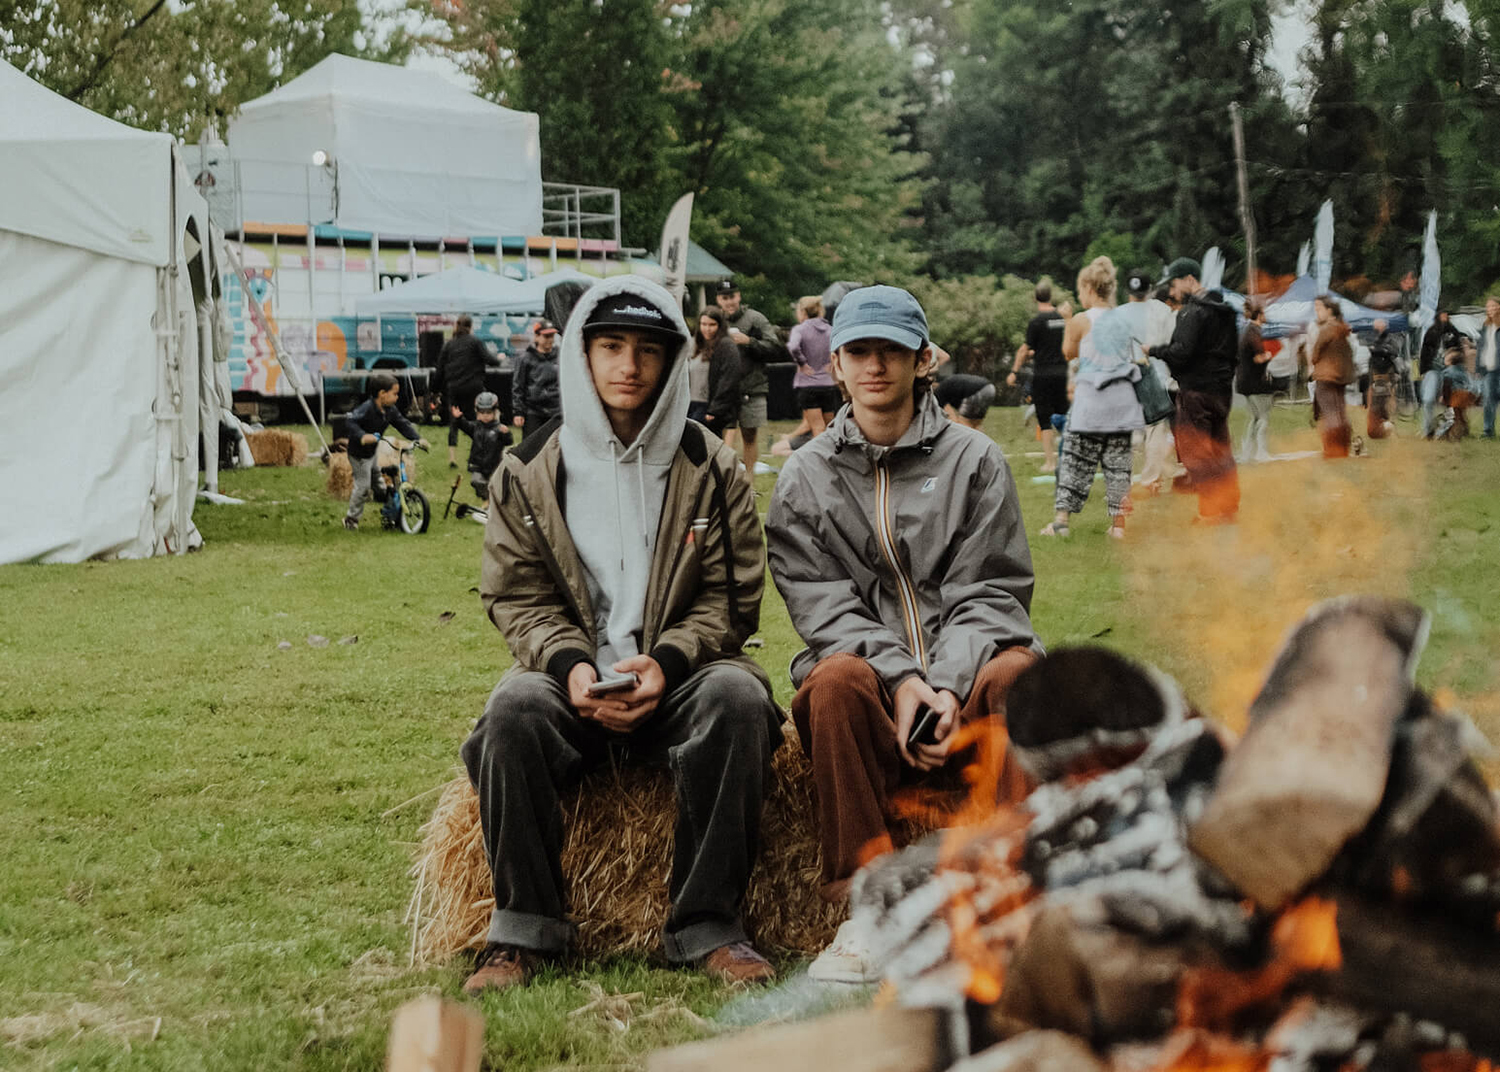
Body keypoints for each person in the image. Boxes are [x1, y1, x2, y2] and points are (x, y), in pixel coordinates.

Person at [460, 277, 782, 994]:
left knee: (739, 697)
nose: (627, 366)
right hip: (568, 676)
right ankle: (523, 931)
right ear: (581, 353)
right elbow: (517, 595)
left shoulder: (711, 465)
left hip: (679, 674)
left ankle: (709, 925)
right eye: (609, 347)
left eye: (646, 350)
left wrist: (666, 662)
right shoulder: (529, 468)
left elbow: (732, 599)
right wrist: (572, 665)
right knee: (510, 713)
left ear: (672, 362)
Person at [765, 284, 1041, 983]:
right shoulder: (804, 478)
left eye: (892, 350)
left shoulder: (976, 461)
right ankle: (868, 905)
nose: (875, 365)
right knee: (831, 679)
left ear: (925, 360)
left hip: (966, 692)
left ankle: (1008, 894)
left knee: (1017, 676)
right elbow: (821, 606)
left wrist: (945, 684)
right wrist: (903, 679)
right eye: (859, 350)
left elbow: (991, 591)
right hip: (871, 705)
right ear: (836, 364)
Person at [1038, 257, 1143, 540]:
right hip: (1123, 402)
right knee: (1119, 466)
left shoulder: (1081, 320)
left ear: (1088, 287)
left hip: (1091, 403)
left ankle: (1061, 523)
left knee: (1074, 461)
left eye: (1080, 289)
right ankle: (1118, 527)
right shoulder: (1124, 318)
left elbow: (1069, 353)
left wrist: (1068, 320)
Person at [1145, 258, 1239, 524]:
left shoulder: (1192, 312)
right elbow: (1233, 353)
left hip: (1196, 391)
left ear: (1189, 279)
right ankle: (1229, 506)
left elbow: (1181, 353)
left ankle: (1211, 510)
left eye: (1174, 285)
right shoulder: (1227, 311)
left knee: (1196, 453)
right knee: (1221, 450)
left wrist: (1153, 350)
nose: (1173, 293)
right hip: (1222, 392)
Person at [1118, 271, 1180, 494]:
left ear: (1129, 291)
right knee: (1155, 429)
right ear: (1149, 289)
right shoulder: (1162, 310)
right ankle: (1152, 478)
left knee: (1132, 431)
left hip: (1126, 376)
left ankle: (1132, 478)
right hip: (1158, 373)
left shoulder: (1118, 314)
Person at [342, 373, 427, 530]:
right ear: (382, 394)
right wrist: (363, 436)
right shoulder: (367, 409)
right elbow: (350, 422)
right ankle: (351, 519)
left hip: (372, 452)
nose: (397, 397)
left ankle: (386, 504)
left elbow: (402, 424)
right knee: (363, 487)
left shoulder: (390, 410)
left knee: (377, 478)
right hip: (359, 454)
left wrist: (417, 439)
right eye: (394, 393)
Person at [715, 280, 782, 473]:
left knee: (750, 436)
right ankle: (725, 478)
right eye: (724, 298)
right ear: (719, 299)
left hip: (752, 387)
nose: (729, 302)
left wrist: (750, 342)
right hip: (723, 389)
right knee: (722, 437)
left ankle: (749, 481)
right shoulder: (714, 319)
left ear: (739, 296)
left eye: (732, 297)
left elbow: (775, 347)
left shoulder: (755, 319)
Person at [1007, 283, 1068, 473]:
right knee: (1066, 416)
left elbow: (1025, 349)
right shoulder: (1062, 319)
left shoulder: (1036, 322)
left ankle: (1050, 463)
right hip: (1063, 374)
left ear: (1035, 298)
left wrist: (1014, 372)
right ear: (1051, 296)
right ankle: (1069, 459)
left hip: (1043, 375)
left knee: (1044, 419)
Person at [436, 315, 501, 467]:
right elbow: (490, 360)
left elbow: (439, 369)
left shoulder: (449, 345)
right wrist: (499, 357)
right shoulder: (475, 342)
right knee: (477, 421)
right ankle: (479, 454)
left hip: (454, 388)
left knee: (454, 421)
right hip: (474, 387)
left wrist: (435, 390)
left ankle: (452, 458)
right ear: (471, 327)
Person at [1309, 295, 1356, 458]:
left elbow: (1315, 354)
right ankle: (1343, 448)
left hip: (1326, 376)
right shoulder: (1342, 329)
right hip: (1340, 377)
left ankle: (1332, 449)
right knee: (1340, 413)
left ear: (1329, 311)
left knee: (1330, 415)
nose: (1317, 312)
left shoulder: (1327, 328)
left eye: (1319, 309)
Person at [788, 295, 839, 438]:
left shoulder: (800, 329)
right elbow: (841, 346)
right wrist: (833, 362)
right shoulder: (830, 329)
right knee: (830, 425)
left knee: (817, 427)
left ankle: (820, 459)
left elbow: (793, 347)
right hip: (828, 383)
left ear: (802, 312)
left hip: (808, 384)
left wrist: (802, 363)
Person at [688, 306, 742, 434]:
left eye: (712, 324)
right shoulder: (694, 344)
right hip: (690, 403)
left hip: (709, 406)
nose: (707, 329)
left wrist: (715, 409)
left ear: (719, 325)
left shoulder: (726, 346)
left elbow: (729, 379)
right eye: (703, 324)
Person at [451, 391, 512, 502]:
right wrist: (459, 419)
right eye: (482, 413)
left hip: (494, 465)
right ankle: (487, 498)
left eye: (488, 413)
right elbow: (465, 426)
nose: (485, 416)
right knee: (476, 482)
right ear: (477, 412)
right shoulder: (475, 427)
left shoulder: (499, 429)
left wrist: (506, 433)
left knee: (496, 486)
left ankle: (493, 503)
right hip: (478, 464)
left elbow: (508, 441)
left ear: (495, 412)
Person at [1235, 301, 1274, 462]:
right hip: (1254, 381)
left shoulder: (1245, 330)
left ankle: (1247, 452)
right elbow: (1258, 358)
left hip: (1243, 381)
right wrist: (1269, 355)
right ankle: (1261, 452)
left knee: (1255, 417)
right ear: (1259, 315)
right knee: (1263, 417)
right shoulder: (1254, 332)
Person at [511, 319, 561, 440]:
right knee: (531, 447)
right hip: (533, 411)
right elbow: (518, 386)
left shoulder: (560, 356)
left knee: (555, 447)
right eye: (546, 336)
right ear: (537, 337)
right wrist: (518, 412)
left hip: (556, 410)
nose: (550, 339)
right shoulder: (525, 358)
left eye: (552, 336)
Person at [1419, 309, 1463, 437]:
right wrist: (1423, 371)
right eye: (1442, 315)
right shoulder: (1431, 332)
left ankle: (1451, 429)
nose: (1444, 318)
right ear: (1437, 317)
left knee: (1454, 399)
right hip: (1433, 369)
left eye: (1446, 316)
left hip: (1451, 369)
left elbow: (1460, 351)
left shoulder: (1453, 332)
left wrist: (1453, 357)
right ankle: (1427, 429)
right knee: (1428, 399)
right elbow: (1424, 353)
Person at [1366, 319, 1398, 440]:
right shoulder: (1373, 337)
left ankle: (1389, 425)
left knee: (1388, 401)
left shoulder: (1391, 338)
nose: (1376, 326)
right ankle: (1384, 426)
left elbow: (1394, 352)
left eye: (1378, 324)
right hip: (1375, 371)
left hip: (1387, 372)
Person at [933, 373, 997, 430]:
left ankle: (968, 443)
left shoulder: (939, 392)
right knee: (976, 424)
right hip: (989, 388)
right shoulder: (950, 383)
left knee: (963, 427)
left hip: (974, 391)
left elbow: (951, 418)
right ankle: (982, 442)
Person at [1478, 297, 1500, 438]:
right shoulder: (1486, 327)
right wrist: (1479, 368)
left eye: (1493, 306)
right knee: (1488, 401)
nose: (1490, 309)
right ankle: (1488, 431)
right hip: (1488, 370)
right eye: (1488, 307)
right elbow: (1481, 348)